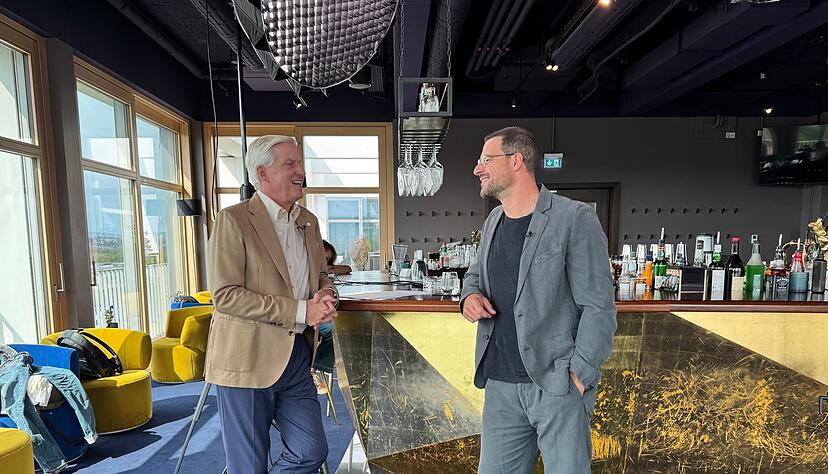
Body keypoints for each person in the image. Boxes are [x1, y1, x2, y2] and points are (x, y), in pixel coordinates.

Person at [460, 127, 617, 473]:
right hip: (500, 385)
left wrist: (578, 376)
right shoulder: (493, 221)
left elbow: (599, 307)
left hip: (556, 383)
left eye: (485, 160)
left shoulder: (574, 218)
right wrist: (469, 295)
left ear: (516, 161)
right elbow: (475, 274)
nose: (477, 169)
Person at [206, 135, 338, 473]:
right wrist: (301, 310)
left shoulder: (308, 221)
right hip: (246, 359)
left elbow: (322, 275)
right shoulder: (233, 220)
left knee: (312, 451)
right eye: (290, 164)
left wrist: (325, 294)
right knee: (249, 465)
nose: (301, 171)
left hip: (296, 355)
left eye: (299, 163)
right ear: (262, 173)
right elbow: (226, 295)